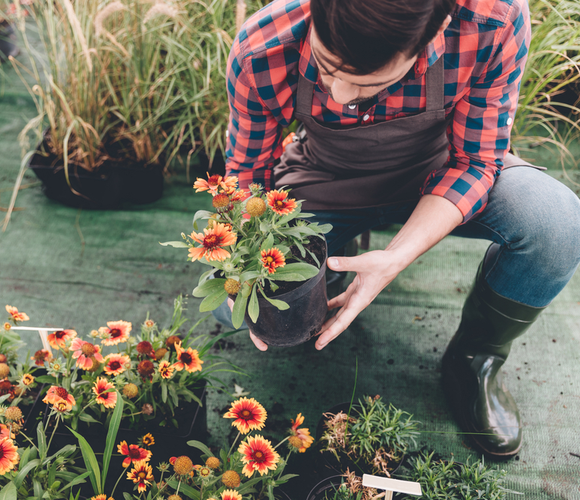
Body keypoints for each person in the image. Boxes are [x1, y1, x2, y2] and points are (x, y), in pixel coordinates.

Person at [220, 0, 580, 458]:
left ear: (434, 35)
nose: (339, 93)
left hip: (442, 169)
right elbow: (246, 177)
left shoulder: (492, 21)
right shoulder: (264, 46)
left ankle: (475, 360)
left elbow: (476, 161)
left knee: (557, 224)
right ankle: (329, 267)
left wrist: (396, 258)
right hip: (325, 179)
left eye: (368, 81)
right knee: (248, 311)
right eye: (327, 68)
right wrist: (245, 267)